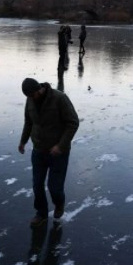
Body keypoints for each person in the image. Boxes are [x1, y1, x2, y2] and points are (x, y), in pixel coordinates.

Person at [18, 78, 79, 227]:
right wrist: (23, 141)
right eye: (29, 97)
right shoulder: (30, 100)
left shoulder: (59, 98)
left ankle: (59, 203)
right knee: (37, 185)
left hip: (58, 153)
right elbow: (28, 122)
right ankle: (41, 213)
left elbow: (73, 123)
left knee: (55, 187)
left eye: (33, 95)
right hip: (38, 149)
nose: (31, 99)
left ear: (39, 89)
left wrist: (60, 145)